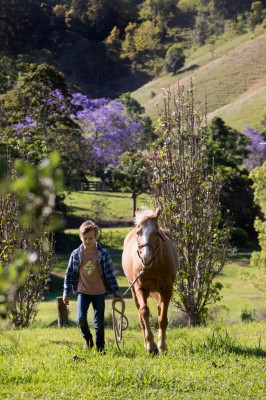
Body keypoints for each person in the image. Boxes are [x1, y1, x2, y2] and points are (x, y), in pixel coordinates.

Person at [63, 220, 122, 352]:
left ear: (96, 237)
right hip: (82, 291)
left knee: (99, 323)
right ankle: (88, 339)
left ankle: (100, 348)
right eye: (85, 238)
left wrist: (116, 291)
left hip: (99, 292)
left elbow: (111, 275)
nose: (88, 241)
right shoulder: (76, 254)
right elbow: (69, 274)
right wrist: (65, 292)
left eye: (90, 238)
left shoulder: (103, 254)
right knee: (81, 318)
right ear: (80, 237)